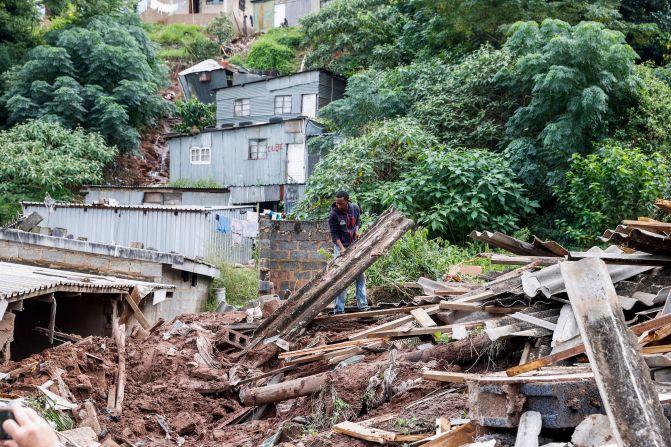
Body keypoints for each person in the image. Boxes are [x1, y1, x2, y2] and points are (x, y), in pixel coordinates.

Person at [328, 191, 368, 314]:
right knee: (341, 278)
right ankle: (339, 310)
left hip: (354, 245)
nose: (338, 205)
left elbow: (357, 223)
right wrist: (341, 248)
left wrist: (356, 232)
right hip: (341, 248)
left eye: (341, 203)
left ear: (347, 201)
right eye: (337, 203)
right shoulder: (333, 214)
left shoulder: (355, 208)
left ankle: (363, 306)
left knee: (360, 276)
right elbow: (334, 235)